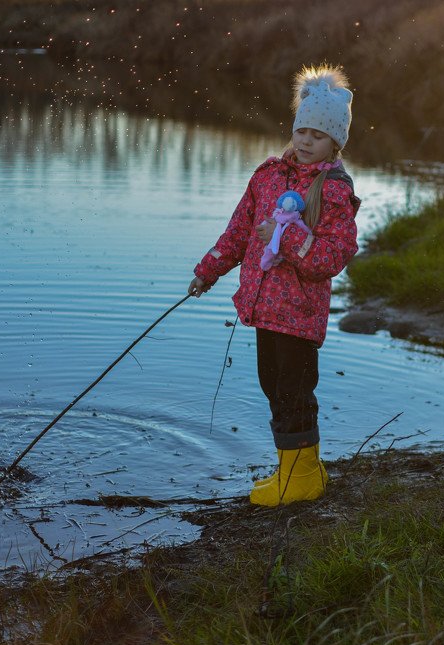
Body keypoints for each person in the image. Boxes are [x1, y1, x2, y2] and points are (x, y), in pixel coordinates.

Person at [188, 64, 360, 507]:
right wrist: (209, 269)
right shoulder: (267, 176)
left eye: (317, 135)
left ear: (335, 141)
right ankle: (296, 468)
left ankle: (301, 479)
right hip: (265, 307)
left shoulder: (335, 191)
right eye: (301, 130)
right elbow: (238, 230)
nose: (305, 140)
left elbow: (331, 258)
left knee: (294, 389)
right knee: (273, 384)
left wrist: (286, 237)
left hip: (299, 313)